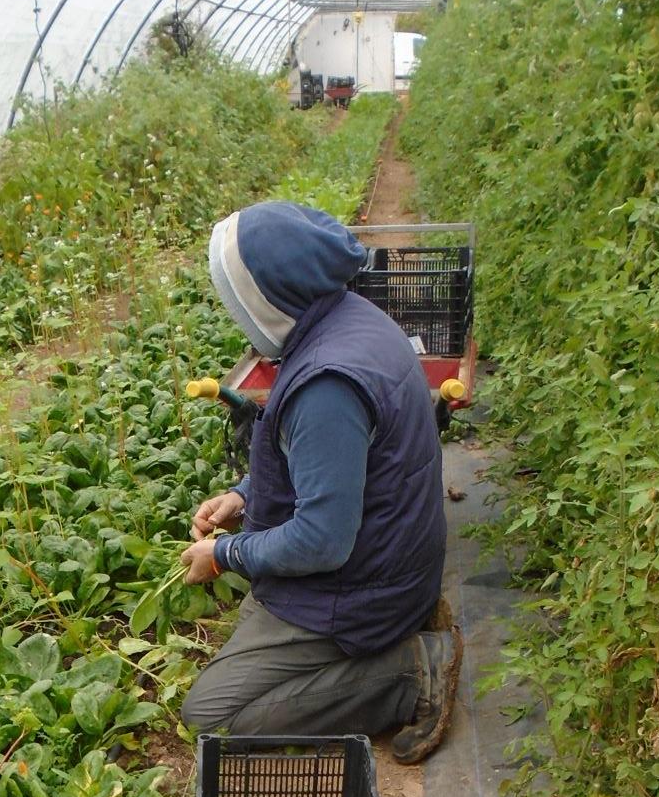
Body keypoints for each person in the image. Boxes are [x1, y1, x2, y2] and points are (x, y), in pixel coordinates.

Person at [178, 200, 462, 765]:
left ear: (265, 295)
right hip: (391, 562)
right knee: (254, 627)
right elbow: (329, 459)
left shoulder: (325, 386)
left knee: (210, 716)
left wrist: (224, 553)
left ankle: (409, 673)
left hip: (363, 589)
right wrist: (245, 495)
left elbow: (322, 541)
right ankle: (390, 642)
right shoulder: (351, 317)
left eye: (235, 297)